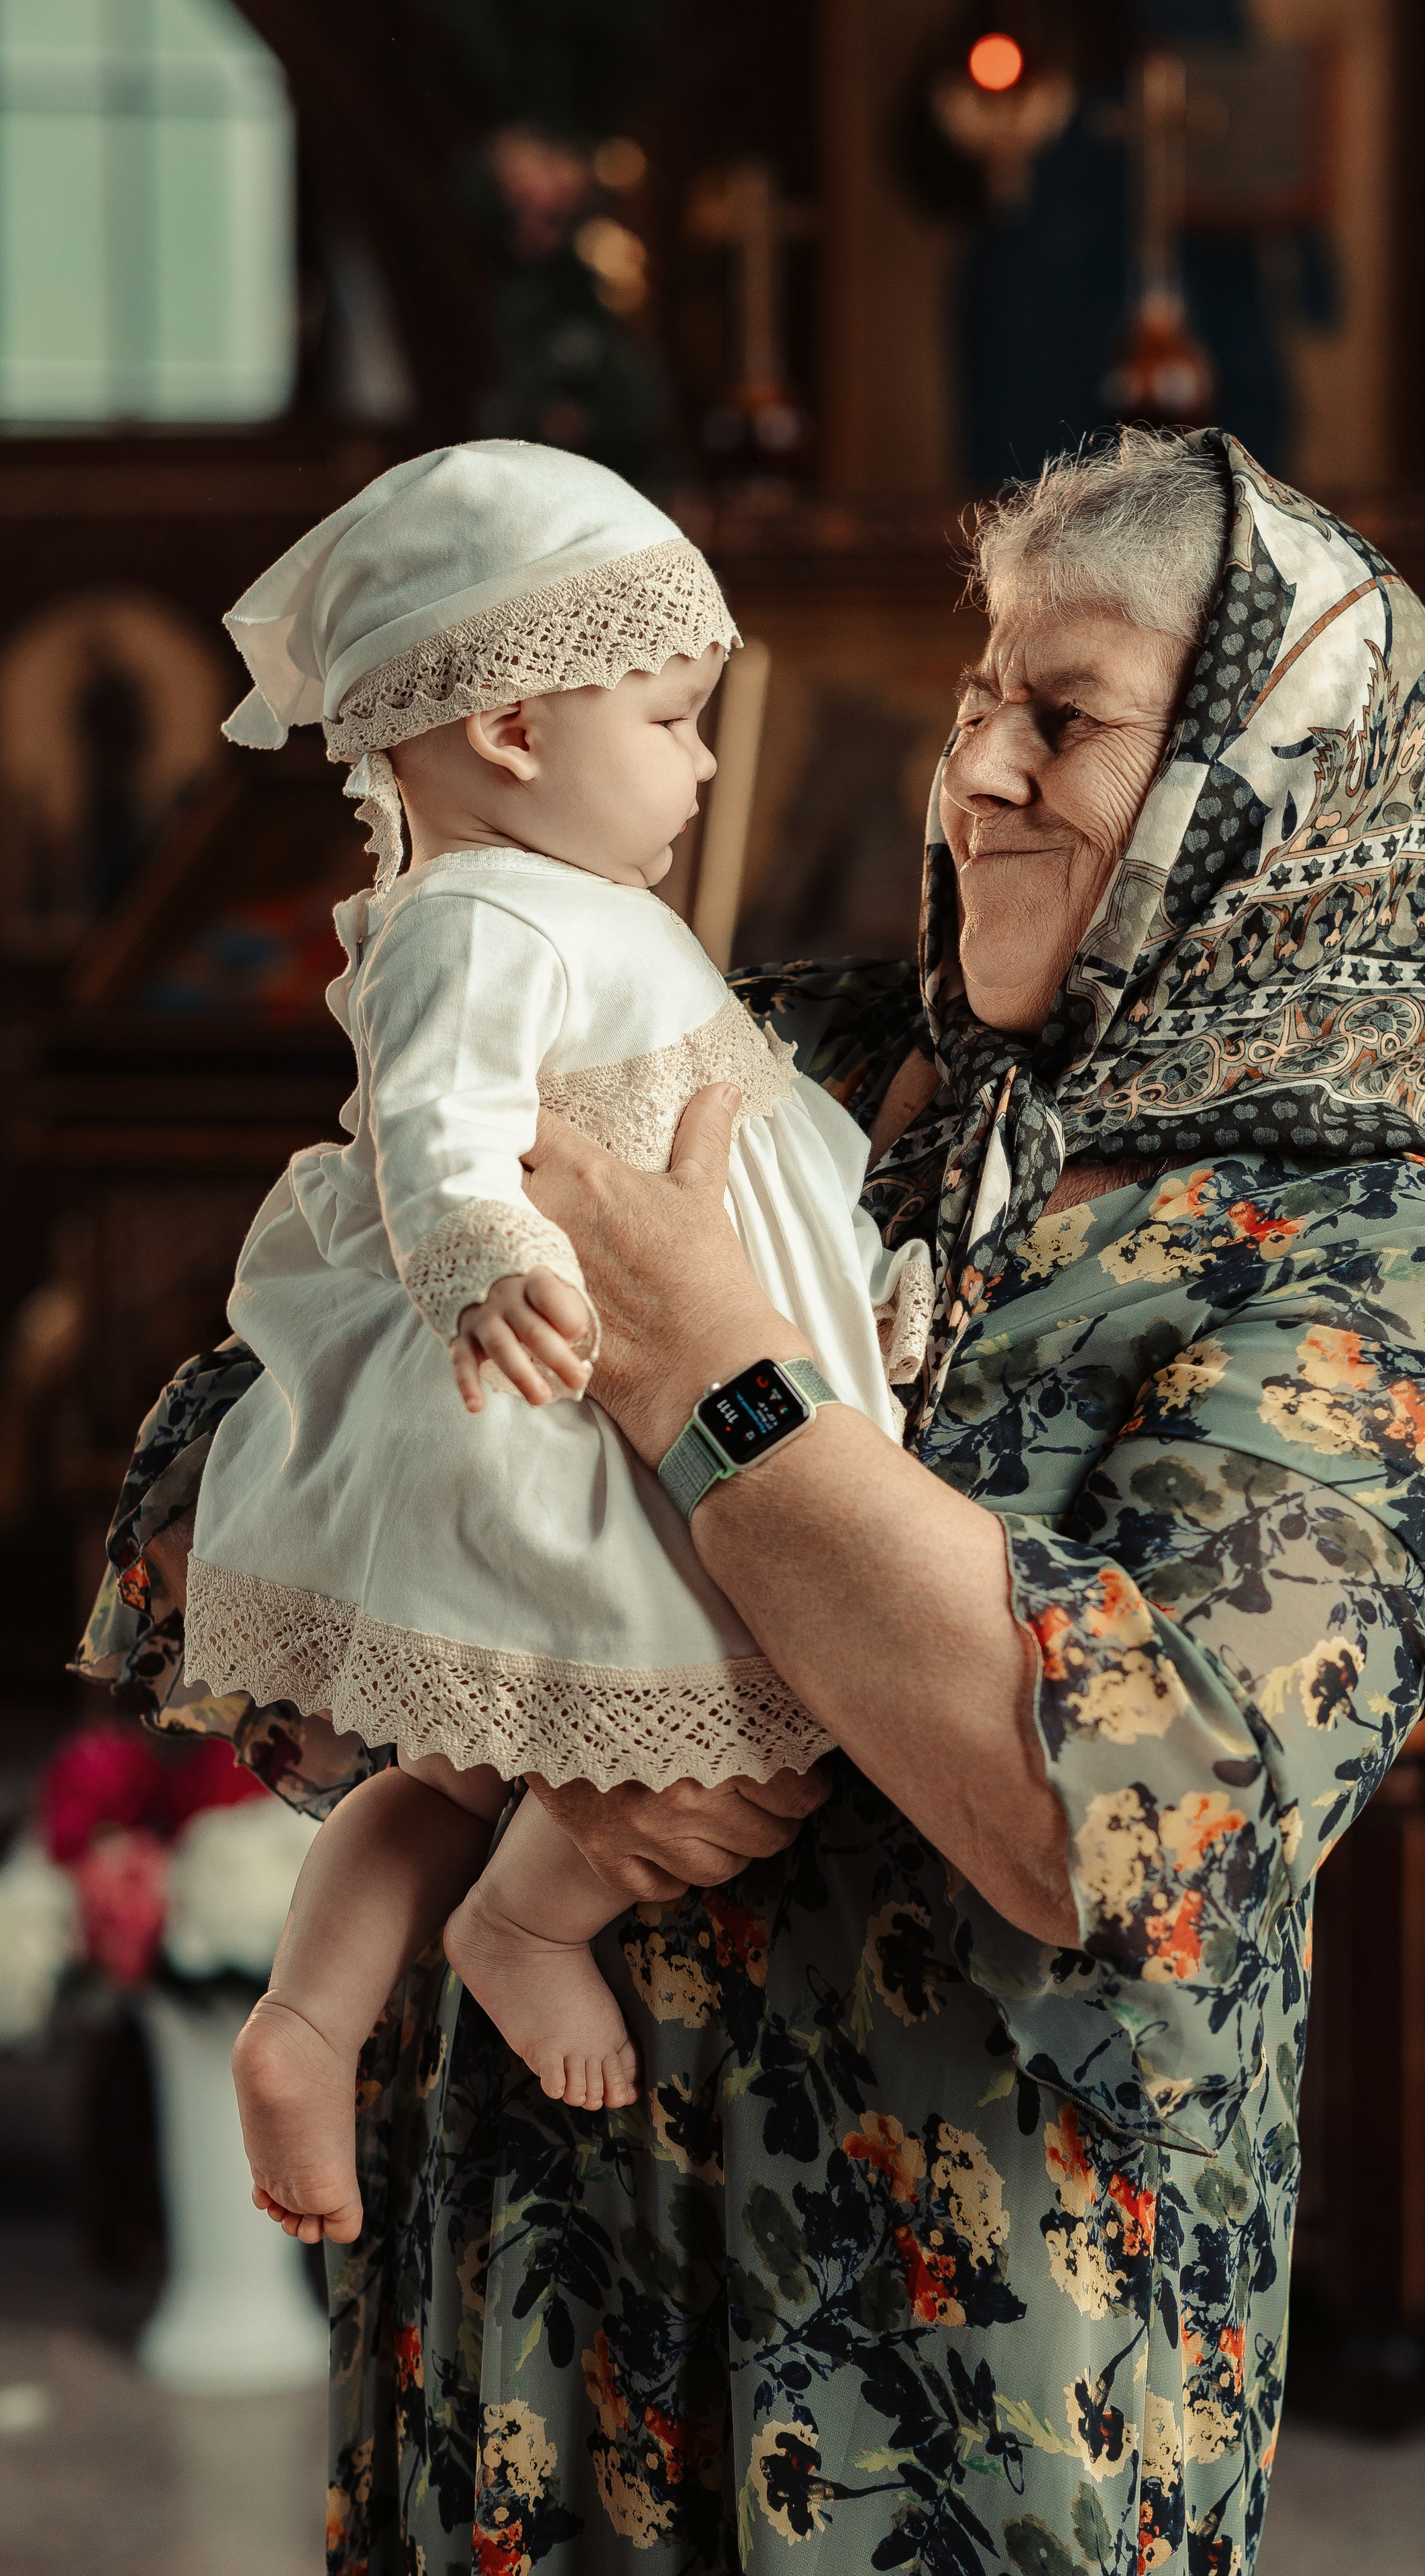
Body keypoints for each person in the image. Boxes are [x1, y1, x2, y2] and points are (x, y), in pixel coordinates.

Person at [81, 429, 1425, 2576]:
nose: (968, 772)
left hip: (938, 2407)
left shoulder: (1368, 1259)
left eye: (1061, 718)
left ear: (1265, 779)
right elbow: (201, 1521)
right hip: (525, 2334)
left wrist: (710, 1385)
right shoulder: (748, 1047)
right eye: (976, 698)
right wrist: (516, 1737)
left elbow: (1131, 1819)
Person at [175, 443, 932, 2246]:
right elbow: (432, 1122)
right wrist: (480, 1254)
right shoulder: (484, 914)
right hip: (566, 1386)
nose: (705, 759)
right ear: (515, 727)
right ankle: (495, 1934)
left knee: (471, 1752)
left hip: (651, 1353)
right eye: (673, 718)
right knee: (708, 1702)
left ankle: (314, 2016)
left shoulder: (571, 906)